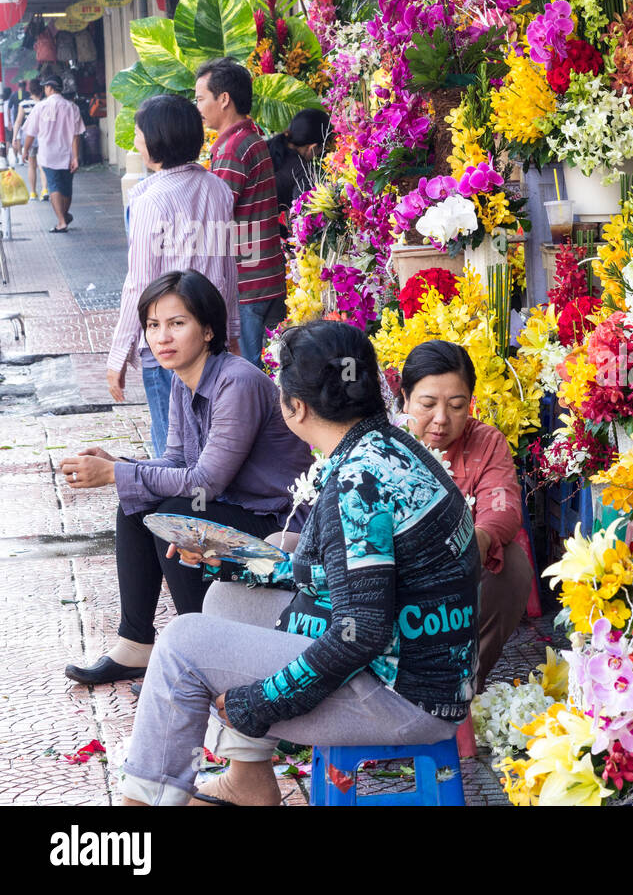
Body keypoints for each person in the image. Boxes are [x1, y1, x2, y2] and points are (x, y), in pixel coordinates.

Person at [119, 320, 480, 806]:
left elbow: (363, 631)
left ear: (297, 408)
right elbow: (343, 579)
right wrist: (229, 558)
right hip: (421, 670)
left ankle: (141, 805)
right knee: (227, 597)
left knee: (183, 644)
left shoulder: (357, 485)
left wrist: (260, 702)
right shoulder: (390, 446)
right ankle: (247, 779)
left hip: (406, 697)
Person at [59, 270, 313, 686]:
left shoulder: (237, 381)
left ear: (208, 329)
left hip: (279, 525)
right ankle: (136, 644)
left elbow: (204, 482)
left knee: (175, 513)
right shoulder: (184, 379)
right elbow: (177, 460)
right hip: (235, 506)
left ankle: (203, 651)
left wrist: (117, 472)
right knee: (136, 504)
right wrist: (119, 463)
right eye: (153, 326)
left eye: (177, 324)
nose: (163, 338)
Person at [109, 95, 242, 459]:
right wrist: (230, 334)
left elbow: (139, 280)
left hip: (167, 339)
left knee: (173, 448)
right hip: (208, 337)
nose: (136, 140)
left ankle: (177, 511)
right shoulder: (217, 188)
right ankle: (205, 510)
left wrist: (119, 352)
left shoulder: (151, 200)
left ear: (156, 139)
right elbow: (226, 269)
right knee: (209, 439)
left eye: (138, 133)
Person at [401, 340, 533, 691]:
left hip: (459, 573)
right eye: (428, 404)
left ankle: (462, 684)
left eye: (456, 405)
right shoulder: (385, 442)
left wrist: (478, 538)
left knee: (513, 565)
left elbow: (501, 506)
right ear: (405, 398)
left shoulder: (485, 442)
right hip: (390, 579)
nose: (441, 419)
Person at [194, 57, 285, 366]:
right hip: (266, 276)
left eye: (201, 99)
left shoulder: (233, 147)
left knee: (247, 373)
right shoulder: (250, 139)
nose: (199, 107)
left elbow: (217, 216)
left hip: (248, 284)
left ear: (224, 99)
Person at [22, 76, 84, 232]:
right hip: (68, 155)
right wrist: (75, 157)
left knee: (54, 186)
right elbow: (76, 135)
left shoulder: (40, 107)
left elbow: (30, 133)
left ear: (49, 87)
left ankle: (61, 221)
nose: (44, 90)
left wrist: (25, 150)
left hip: (48, 155)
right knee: (66, 187)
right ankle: (64, 215)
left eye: (45, 87)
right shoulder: (72, 107)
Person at [267, 108, 330, 215]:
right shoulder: (301, 171)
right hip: (259, 229)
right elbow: (302, 216)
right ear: (313, 147)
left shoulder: (265, 146)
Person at [14, 81, 48, 201]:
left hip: (30, 137)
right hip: (44, 136)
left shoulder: (23, 104)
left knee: (32, 166)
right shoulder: (45, 103)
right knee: (43, 164)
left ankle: (33, 193)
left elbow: (18, 122)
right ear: (42, 90)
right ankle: (45, 190)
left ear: (30, 90)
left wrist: (14, 138)